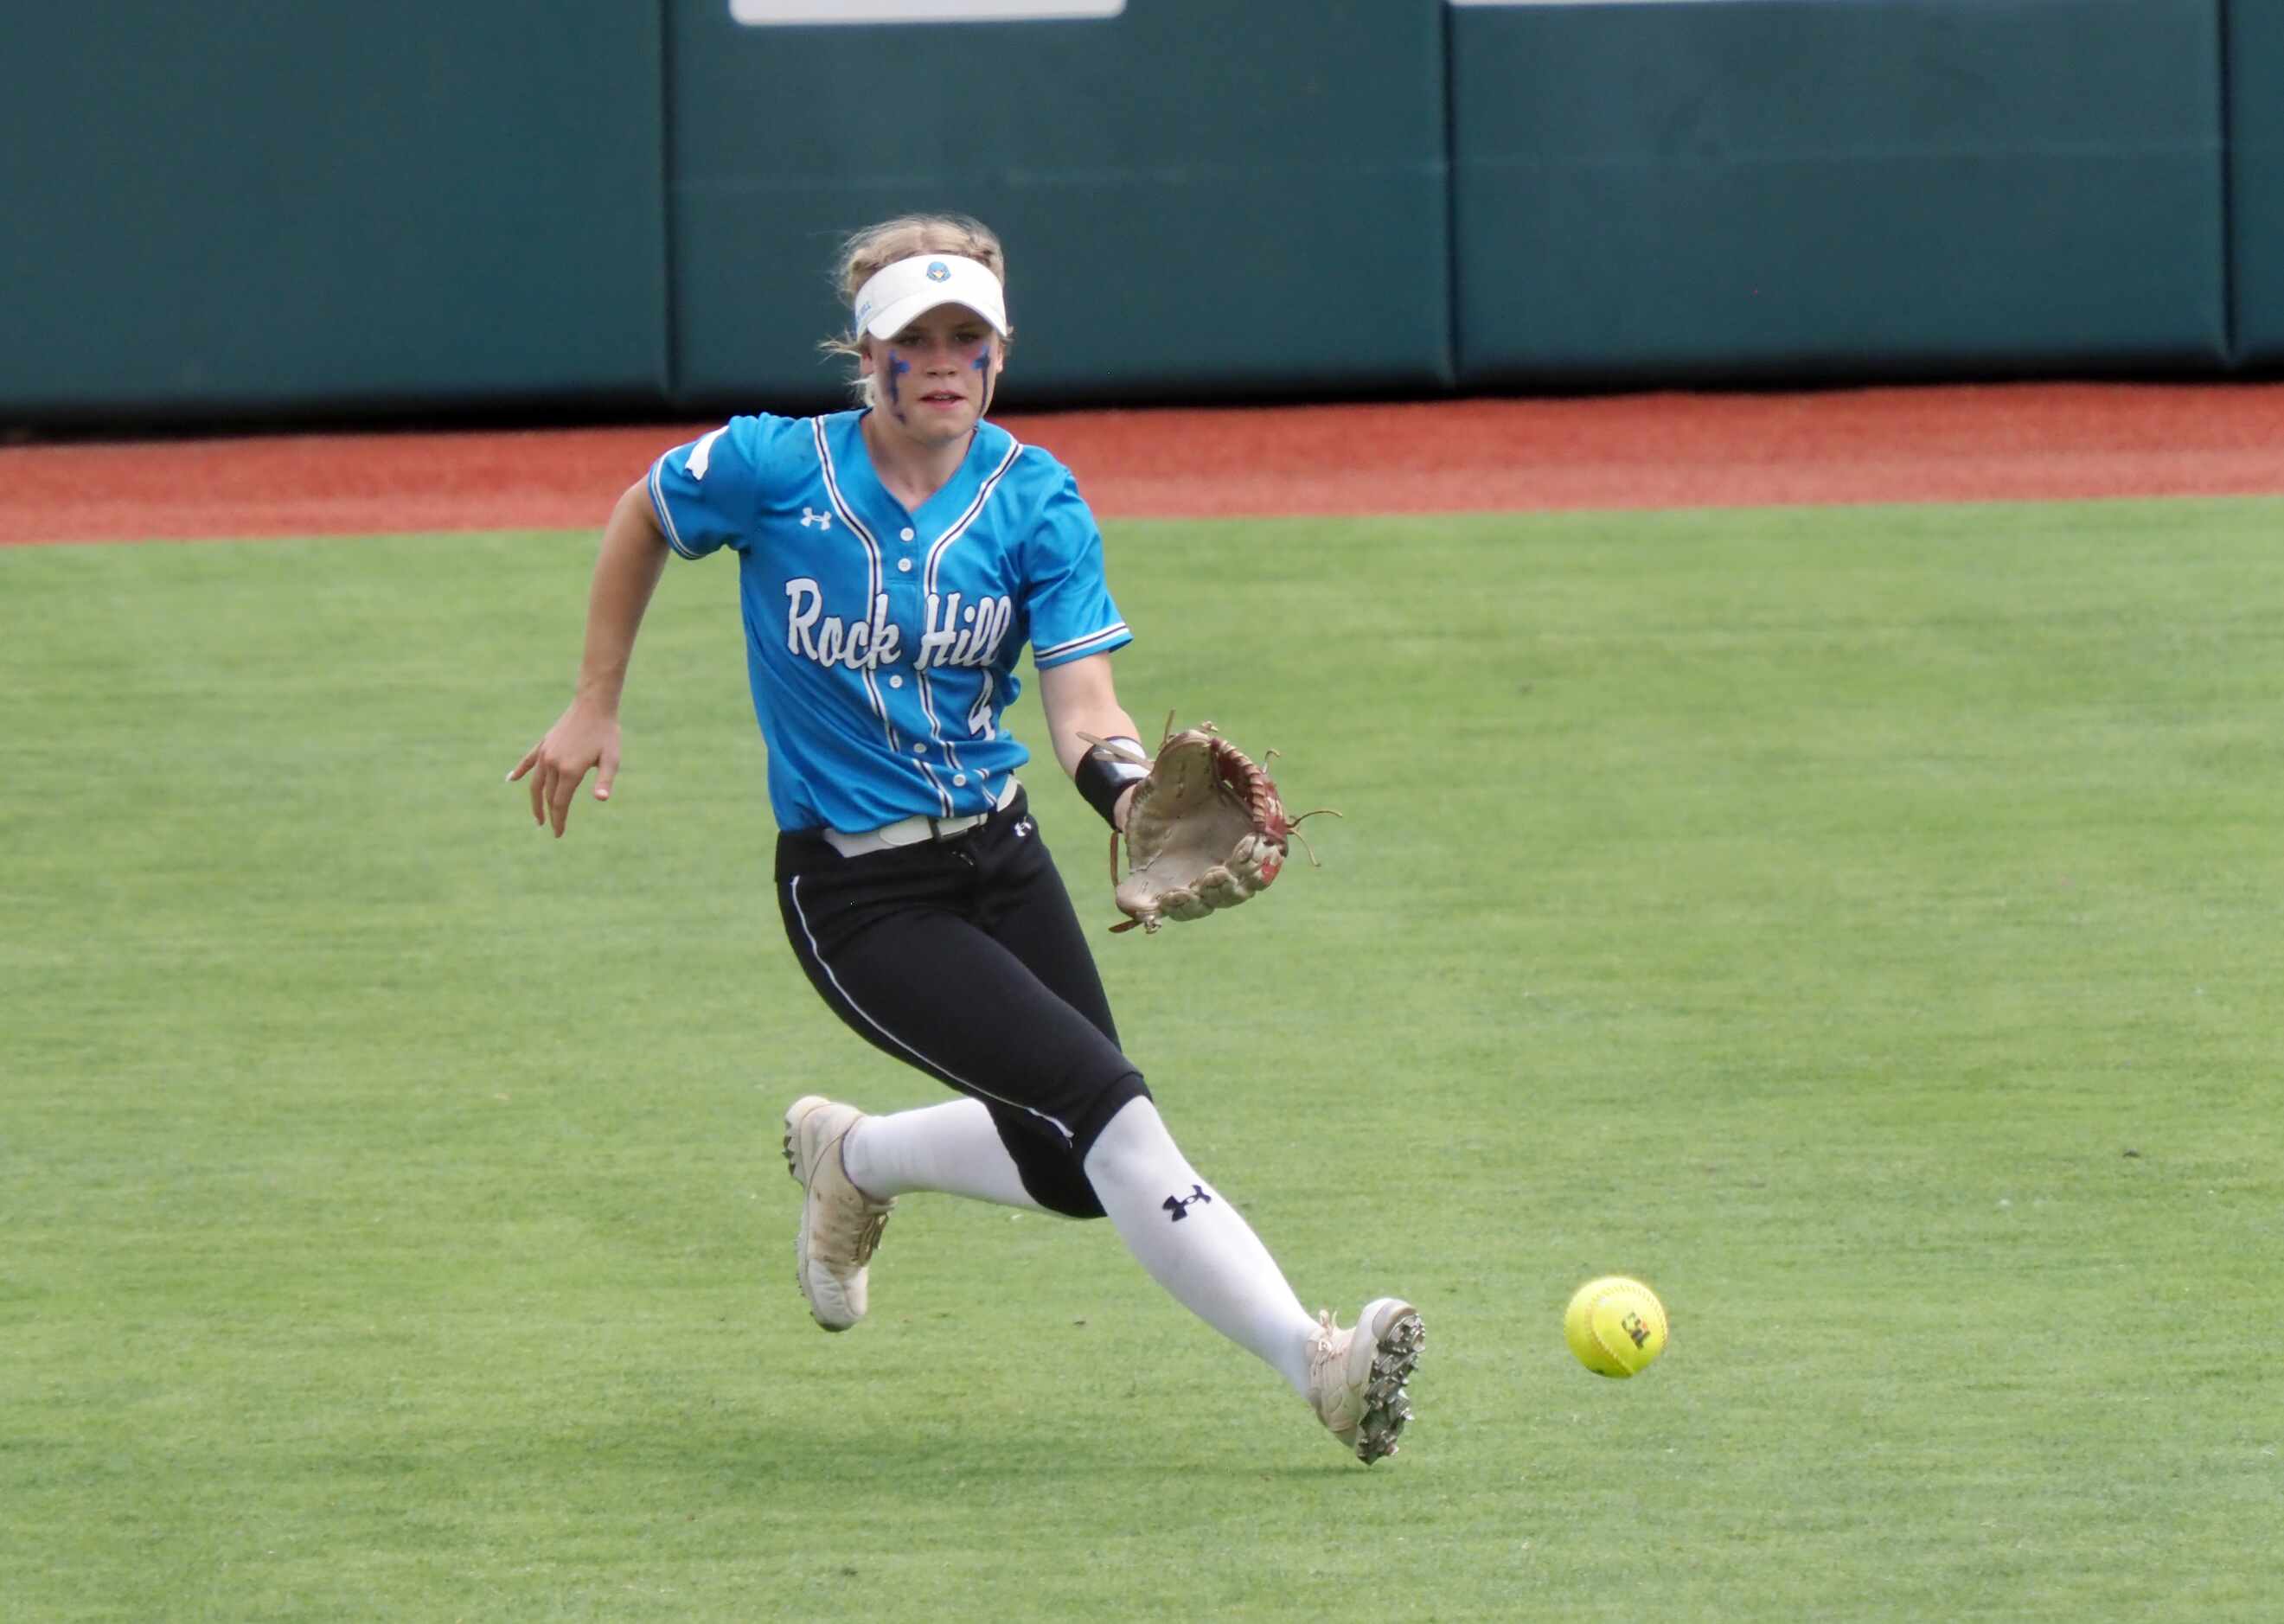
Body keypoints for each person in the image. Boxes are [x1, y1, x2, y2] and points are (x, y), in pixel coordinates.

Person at [508, 214, 1422, 1463]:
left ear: (999, 353)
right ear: (866, 356)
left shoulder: (1035, 498)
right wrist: (595, 696)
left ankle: (856, 1155)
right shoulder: (777, 469)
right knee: (1110, 1111)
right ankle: (1313, 1363)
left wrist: (1131, 793)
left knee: (1068, 1167)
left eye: (967, 338)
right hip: (860, 894)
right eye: (913, 338)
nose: (942, 361)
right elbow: (644, 513)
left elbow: (1084, 706)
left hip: (998, 855)